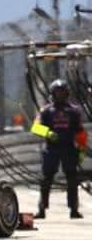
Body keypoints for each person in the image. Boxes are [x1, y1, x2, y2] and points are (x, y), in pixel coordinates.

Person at [31, 79, 86, 220]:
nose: (60, 95)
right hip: (52, 148)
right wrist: (48, 133)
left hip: (69, 148)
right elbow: (35, 127)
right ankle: (42, 209)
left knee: (72, 180)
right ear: (52, 94)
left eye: (62, 92)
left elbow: (80, 132)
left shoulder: (74, 111)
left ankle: (74, 209)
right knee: (46, 179)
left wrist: (81, 150)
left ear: (67, 93)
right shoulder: (46, 111)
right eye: (57, 92)